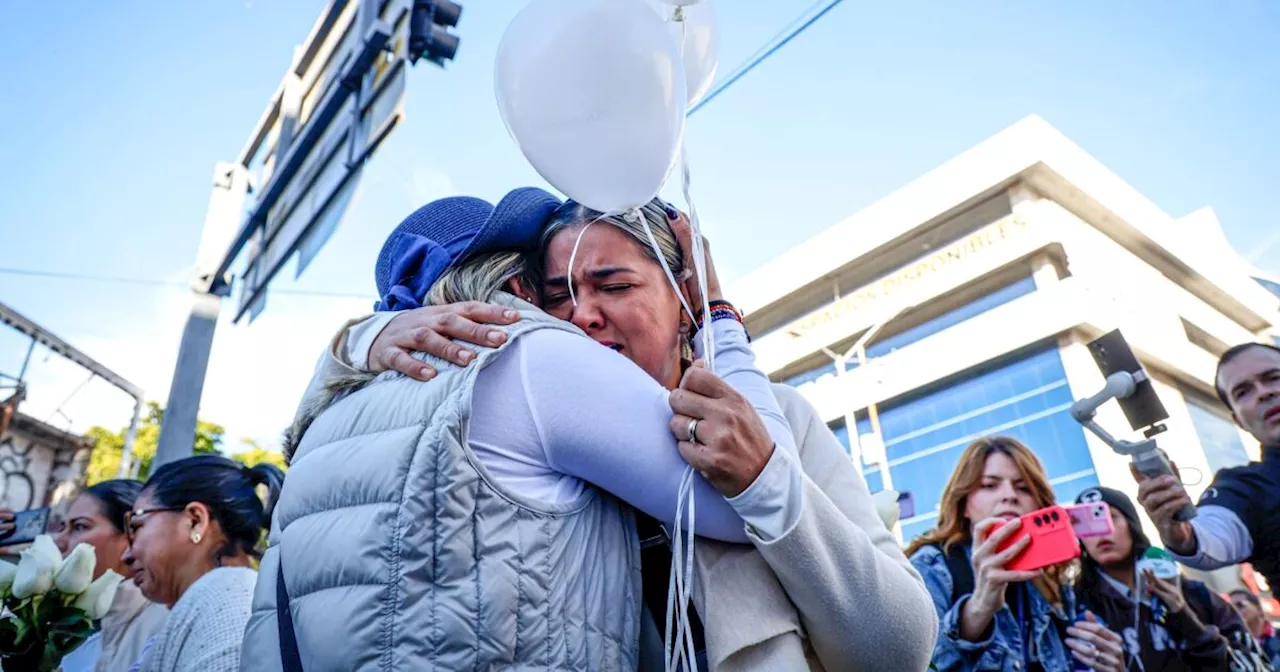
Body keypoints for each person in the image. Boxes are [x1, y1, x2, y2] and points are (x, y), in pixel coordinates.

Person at [244, 191, 935, 671]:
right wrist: (358, 340)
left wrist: (765, 478)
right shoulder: (520, 438)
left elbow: (898, 651)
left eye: (614, 285)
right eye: (557, 296)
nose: (581, 317)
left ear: (684, 299)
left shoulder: (786, 421)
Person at [906, 436, 1127, 672]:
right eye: (989, 485)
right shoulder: (931, 565)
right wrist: (979, 607)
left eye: (1023, 488)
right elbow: (916, 664)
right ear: (964, 503)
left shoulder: (1049, 575)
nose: (1010, 495)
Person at [1072, 486, 1270, 671]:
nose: (1100, 532)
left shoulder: (1197, 595)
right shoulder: (1075, 610)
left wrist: (1189, 623)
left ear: (1131, 525)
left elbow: (1256, 666)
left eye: (1106, 517)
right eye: (1086, 523)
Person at [1132, 343, 1280, 591]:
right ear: (1238, 420)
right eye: (1243, 392)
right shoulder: (1245, 488)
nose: (1263, 393)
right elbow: (1209, 533)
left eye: (1273, 378)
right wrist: (1181, 530)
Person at [122, 455, 283, 672]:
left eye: (136, 526)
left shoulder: (228, 600)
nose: (126, 555)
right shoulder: (225, 601)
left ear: (195, 521)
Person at [54, 480, 169, 672]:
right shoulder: (46, 615)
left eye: (80, 527)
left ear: (132, 534)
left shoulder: (165, 625)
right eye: (61, 528)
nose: (59, 542)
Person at [1231, 589, 1280, 668]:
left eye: (1240, 605)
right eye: (1231, 608)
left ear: (1259, 609)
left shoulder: (1278, 635)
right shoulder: (1235, 645)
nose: (1235, 611)